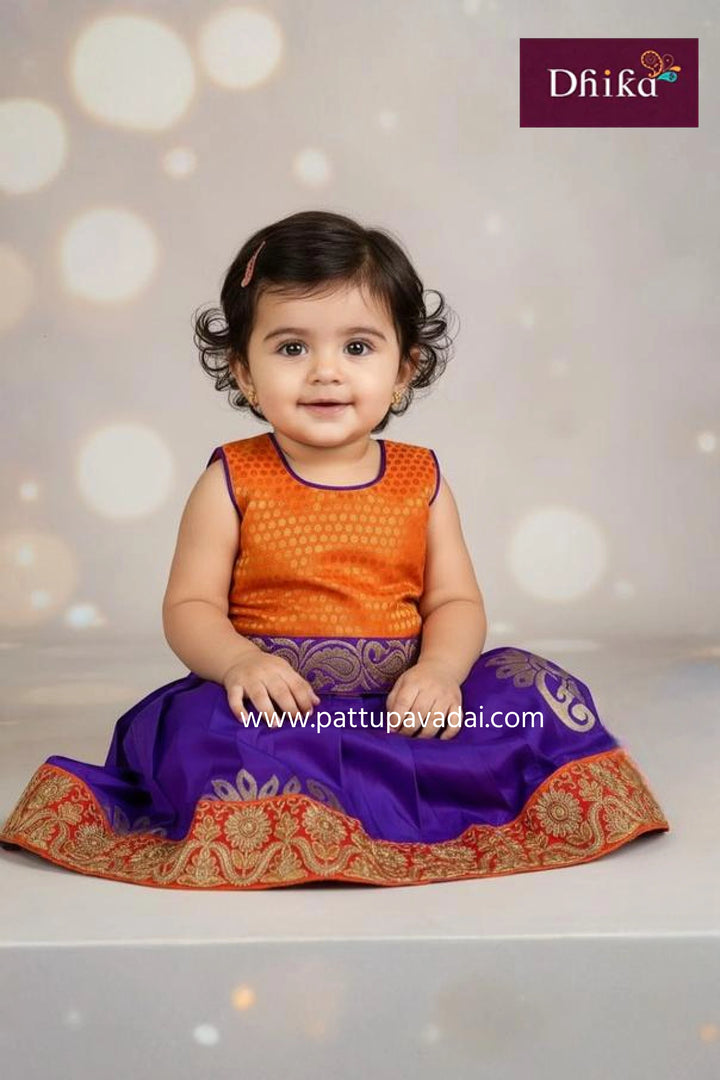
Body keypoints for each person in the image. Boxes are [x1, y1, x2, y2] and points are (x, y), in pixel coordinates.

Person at [0, 209, 669, 889]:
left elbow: (456, 600)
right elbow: (190, 604)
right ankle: (294, 810)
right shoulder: (231, 479)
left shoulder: (422, 480)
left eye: (357, 347)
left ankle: (414, 789)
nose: (325, 372)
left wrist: (438, 671)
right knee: (209, 733)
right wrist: (237, 663)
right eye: (292, 348)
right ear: (245, 371)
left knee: (529, 691)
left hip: (399, 705)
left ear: (404, 369)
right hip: (274, 707)